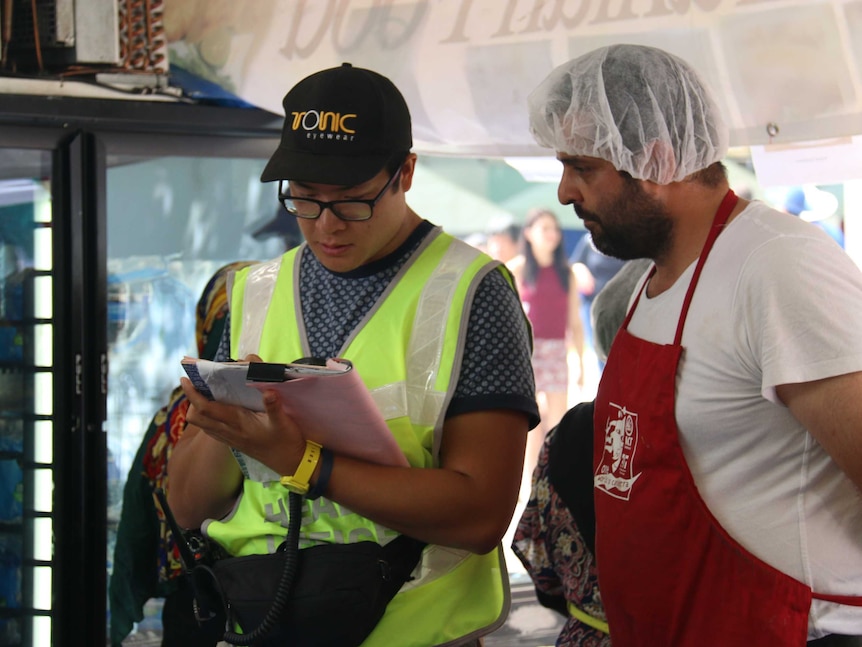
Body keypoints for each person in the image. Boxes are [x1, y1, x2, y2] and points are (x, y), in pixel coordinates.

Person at [166, 62, 539, 647]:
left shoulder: (471, 292)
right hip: (265, 621)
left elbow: (481, 514)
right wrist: (227, 425)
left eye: (352, 201)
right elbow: (187, 505)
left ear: (406, 173)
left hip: (415, 628)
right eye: (305, 200)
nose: (326, 226)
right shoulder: (252, 291)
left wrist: (304, 462)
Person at [527, 43, 862, 646]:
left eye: (582, 167)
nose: (564, 192)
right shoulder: (649, 281)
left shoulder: (774, 265)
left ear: (655, 160)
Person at [109, 260, 256, 647]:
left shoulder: (176, 411)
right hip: (263, 590)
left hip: (192, 598)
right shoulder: (282, 399)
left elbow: (140, 514)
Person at [508, 207, 586, 490]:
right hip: (526, 352)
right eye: (544, 228)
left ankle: (551, 481)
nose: (550, 234)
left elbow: (575, 322)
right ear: (528, 234)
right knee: (529, 421)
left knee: (556, 420)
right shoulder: (515, 269)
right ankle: (528, 481)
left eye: (554, 228)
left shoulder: (567, 273)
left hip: (556, 351)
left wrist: (578, 361)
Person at [569, 232, 625, 371]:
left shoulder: (631, 240)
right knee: (600, 352)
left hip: (624, 307)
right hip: (594, 307)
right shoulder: (589, 241)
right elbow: (574, 264)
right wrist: (579, 270)